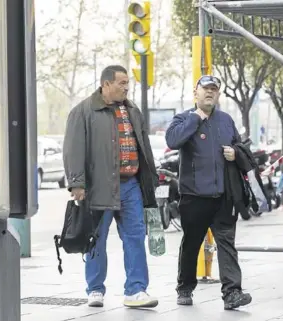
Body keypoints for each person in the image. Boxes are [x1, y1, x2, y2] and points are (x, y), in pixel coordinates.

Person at [63, 65, 159, 309]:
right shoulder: (83, 111)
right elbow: (73, 150)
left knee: (136, 237)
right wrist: (77, 183)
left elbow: (143, 147)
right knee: (96, 238)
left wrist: (150, 180)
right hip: (98, 187)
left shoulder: (132, 110)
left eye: (128, 83)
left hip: (131, 186)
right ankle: (95, 289)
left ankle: (136, 290)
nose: (126, 87)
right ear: (106, 84)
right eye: (121, 83)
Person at [165, 75, 252, 310]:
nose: (210, 93)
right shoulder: (183, 119)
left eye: (214, 89)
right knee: (192, 243)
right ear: (196, 93)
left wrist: (235, 153)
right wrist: (197, 119)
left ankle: (232, 293)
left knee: (227, 243)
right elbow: (173, 141)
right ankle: (184, 288)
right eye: (206, 89)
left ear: (218, 94)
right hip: (194, 197)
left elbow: (242, 146)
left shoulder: (226, 120)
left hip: (224, 195)